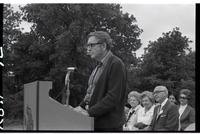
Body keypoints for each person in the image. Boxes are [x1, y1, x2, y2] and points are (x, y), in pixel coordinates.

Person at [74, 31, 127, 131]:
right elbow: (90, 93)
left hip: (109, 126)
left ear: (103, 46)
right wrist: (79, 108)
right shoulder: (98, 67)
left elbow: (113, 97)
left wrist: (89, 112)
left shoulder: (116, 64)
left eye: (91, 45)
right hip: (96, 123)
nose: (88, 48)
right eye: (87, 45)